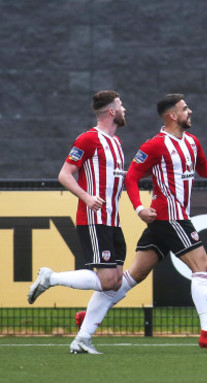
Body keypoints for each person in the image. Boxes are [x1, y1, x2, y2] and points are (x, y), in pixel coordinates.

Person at [76, 93, 207, 352]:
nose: (190, 112)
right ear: (172, 116)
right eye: (185, 109)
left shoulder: (192, 142)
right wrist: (138, 207)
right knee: (202, 266)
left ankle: (91, 315)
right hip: (169, 217)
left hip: (173, 218)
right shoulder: (155, 145)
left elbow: (203, 168)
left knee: (134, 274)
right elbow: (132, 178)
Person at [27, 90, 128, 354]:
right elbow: (64, 174)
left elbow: (114, 177)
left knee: (116, 281)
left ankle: (82, 339)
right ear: (111, 111)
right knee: (108, 281)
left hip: (113, 221)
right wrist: (86, 197)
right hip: (94, 219)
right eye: (121, 105)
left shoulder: (116, 143)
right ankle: (51, 277)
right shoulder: (88, 139)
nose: (124, 109)